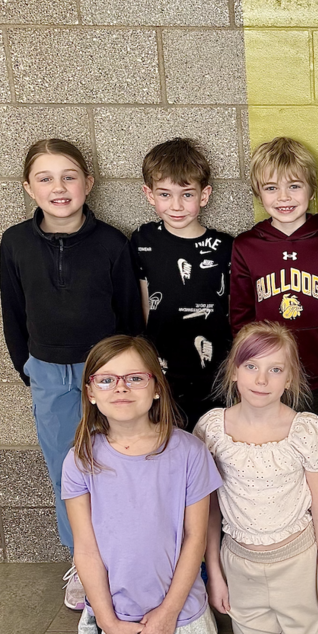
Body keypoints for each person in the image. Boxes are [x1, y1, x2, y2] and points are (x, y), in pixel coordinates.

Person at [0, 138, 143, 610]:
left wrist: (124, 372)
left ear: (88, 183)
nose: (58, 187)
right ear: (28, 187)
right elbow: (13, 312)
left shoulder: (111, 243)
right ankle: (82, 561)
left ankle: (120, 554)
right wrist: (29, 367)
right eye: (45, 178)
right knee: (67, 469)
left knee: (115, 463)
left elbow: (128, 316)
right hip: (48, 372)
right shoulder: (16, 242)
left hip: (104, 373)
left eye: (68, 176)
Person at [62, 335, 230, 634]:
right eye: (106, 380)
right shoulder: (81, 459)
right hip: (116, 607)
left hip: (177, 604)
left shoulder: (189, 452)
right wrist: (108, 621)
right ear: (90, 392)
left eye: (135, 378)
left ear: (156, 387)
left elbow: (196, 537)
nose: (120, 388)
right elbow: (85, 550)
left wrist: (169, 611)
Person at [229, 137, 318, 606]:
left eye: (294, 186)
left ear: (312, 190)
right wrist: (246, 381)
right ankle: (301, 551)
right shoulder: (247, 247)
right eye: (271, 188)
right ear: (257, 193)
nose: (283, 197)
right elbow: (239, 320)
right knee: (280, 467)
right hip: (269, 384)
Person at [196, 321, 318, 634]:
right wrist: (214, 574)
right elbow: (210, 513)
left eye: (275, 369)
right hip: (241, 564)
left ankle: (317, 620)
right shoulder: (212, 429)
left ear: (289, 379)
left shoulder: (303, 430)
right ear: (234, 371)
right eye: (251, 366)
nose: (261, 380)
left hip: (296, 563)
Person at [130, 138, 233, 429]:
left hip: (216, 374)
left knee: (214, 452)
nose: (176, 205)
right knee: (169, 452)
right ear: (149, 195)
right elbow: (142, 305)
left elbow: (232, 308)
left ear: (204, 195)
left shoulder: (225, 247)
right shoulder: (142, 242)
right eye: (165, 194)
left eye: (187, 194)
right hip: (161, 373)